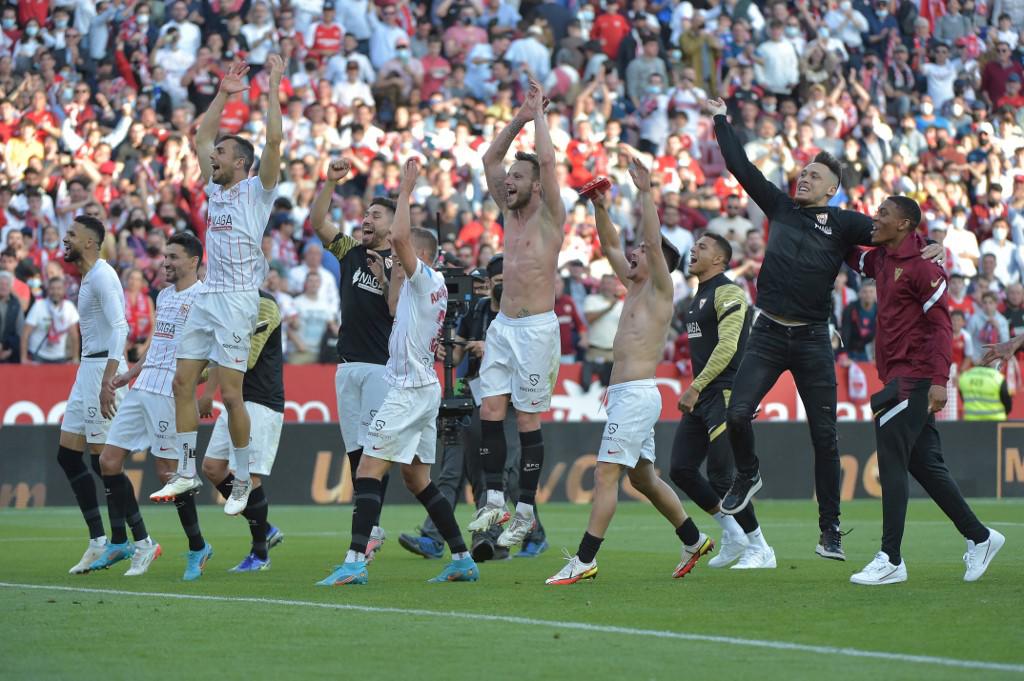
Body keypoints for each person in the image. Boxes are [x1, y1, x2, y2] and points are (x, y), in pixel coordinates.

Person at [706, 97, 941, 561]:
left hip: (813, 338)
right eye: (803, 172)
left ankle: (830, 530)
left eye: (813, 175)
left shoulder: (844, 223)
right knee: (737, 415)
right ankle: (748, 473)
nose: (803, 177)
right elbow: (739, 166)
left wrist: (929, 245)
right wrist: (720, 120)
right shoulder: (779, 206)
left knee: (825, 436)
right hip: (767, 333)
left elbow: (894, 232)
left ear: (832, 189)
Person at [547, 155, 712, 585]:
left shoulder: (660, 287)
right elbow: (610, 246)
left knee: (606, 474)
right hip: (628, 395)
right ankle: (694, 539)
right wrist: (600, 207)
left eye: (640, 251)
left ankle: (585, 559)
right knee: (643, 479)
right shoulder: (637, 285)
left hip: (636, 395)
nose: (632, 254)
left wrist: (645, 192)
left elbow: (653, 244)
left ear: (657, 261)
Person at [317, 159, 479, 586]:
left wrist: (406, 189)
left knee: (368, 470)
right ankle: (462, 557)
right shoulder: (417, 286)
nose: (395, 251)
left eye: (400, 249)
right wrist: (386, 275)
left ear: (418, 256)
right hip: (423, 386)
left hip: (406, 388)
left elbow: (403, 238)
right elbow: (392, 307)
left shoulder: (424, 277)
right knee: (417, 478)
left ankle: (354, 561)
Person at [149, 57, 282, 519]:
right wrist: (224, 94)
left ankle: (242, 477)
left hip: (239, 299)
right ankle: (186, 468)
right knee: (181, 381)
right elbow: (201, 138)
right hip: (208, 295)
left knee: (229, 396)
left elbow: (274, 141)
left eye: (222, 154)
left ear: (240, 162)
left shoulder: (258, 191)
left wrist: (272, 88)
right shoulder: (216, 190)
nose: (213, 157)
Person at [846, 196, 1004, 585]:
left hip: (915, 376)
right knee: (926, 466)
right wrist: (824, 227)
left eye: (884, 213)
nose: (875, 217)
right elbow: (852, 255)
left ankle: (891, 558)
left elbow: (941, 326)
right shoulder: (883, 258)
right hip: (898, 375)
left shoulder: (923, 267)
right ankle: (980, 537)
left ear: (904, 224)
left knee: (891, 460)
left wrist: (938, 379)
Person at [469, 78, 565, 548]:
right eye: (509, 178)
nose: (508, 181)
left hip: (536, 330)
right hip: (503, 326)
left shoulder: (550, 216)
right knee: (490, 408)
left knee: (527, 419)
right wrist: (520, 118)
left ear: (537, 186)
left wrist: (540, 117)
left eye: (518, 178)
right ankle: (493, 499)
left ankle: (525, 510)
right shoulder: (509, 213)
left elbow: (546, 161)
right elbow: (489, 159)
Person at [90, 233, 206, 579]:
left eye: (173, 257)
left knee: (170, 474)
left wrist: (197, 384)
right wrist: (131, 373)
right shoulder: (165, 295)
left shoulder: (205, 298)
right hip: (143, 387)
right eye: (165, 256)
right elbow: (159, 343)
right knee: (108, 461)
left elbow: (213, 352)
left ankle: (198, 547)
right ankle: (141, 542)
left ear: (193, 261)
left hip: (170, 393)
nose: (165, 262)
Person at [669, 232, 776, 570]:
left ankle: (761, 547)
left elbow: (728, 346)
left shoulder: (728, 291)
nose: (693, 250)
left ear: (719, 259)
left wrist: (695, 386)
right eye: (694, 245)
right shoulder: (698, 296)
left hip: (725, 392)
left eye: (702, 247)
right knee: (681, 469)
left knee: (722, 475)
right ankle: (733, 533)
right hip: (705, 394)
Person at [310, 158, 395, 562]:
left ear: (393, 226)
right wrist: (330, 183)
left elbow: (400, 309)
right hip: (346, 366)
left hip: (381, 366)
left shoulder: (400, 264)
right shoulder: (349, 251)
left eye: (376, 215)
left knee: (374, 453)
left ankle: (368, 533)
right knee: (356, 453)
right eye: (366, 214)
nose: (366, 220)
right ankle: (371, 526)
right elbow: (317, 222)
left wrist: (384, 278)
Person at [56, 215, 130, 574]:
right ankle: (100, 540)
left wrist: (108, 381)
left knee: (105, 463)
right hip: (88, 368)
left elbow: (121, 327)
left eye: (71, 234)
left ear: (89, 242)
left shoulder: (102, 276)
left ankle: (126, 539)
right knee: (68, 456)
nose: (65, 238)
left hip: (103, 370)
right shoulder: (87, 277)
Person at [201, 290, 286, 572]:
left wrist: (204, 373)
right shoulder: (226, 304)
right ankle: (266, 528)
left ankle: (260, 555)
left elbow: (246, 359)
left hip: (261, 400)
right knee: (212, 467)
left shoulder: (265, 304)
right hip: (235, 400)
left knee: (248, 477)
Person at [21, 276, 79, 363]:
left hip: (59, 356)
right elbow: (25, 333)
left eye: (59, 289)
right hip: (38, 355)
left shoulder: (69, 307)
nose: (55, 292)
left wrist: (75, 358)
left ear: (64, 290)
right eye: (52, 288)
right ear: (48, 290)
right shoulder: (38, 306)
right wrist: (23, 358)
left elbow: (74, 335)